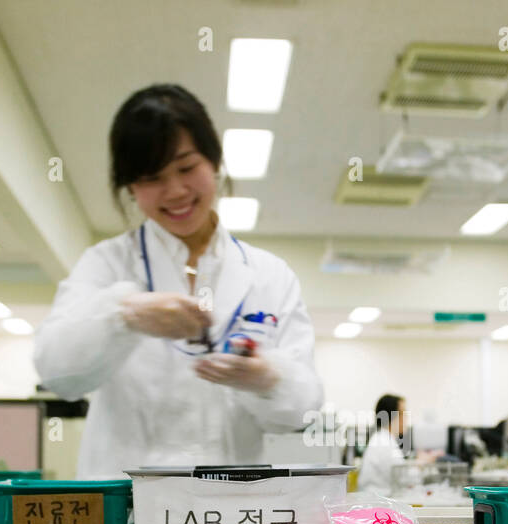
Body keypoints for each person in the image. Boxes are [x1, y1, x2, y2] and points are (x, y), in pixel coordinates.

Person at [34, 84, 323, 476]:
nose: (175, 191)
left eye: (187, 168)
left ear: (214, 160)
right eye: (153, 178)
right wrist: (121, 315)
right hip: (132, 517)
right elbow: (57, 373)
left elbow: (303, 410)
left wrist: (268, 377)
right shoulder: (107, 265)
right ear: (131, 187)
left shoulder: (270, 276)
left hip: (231, 515)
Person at [357, 394, 409, 496]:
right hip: (377, 504)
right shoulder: (384, 443)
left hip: (377, 501)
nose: (406, 418)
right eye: (403, 413)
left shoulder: (383, 438)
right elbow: (403, 478)